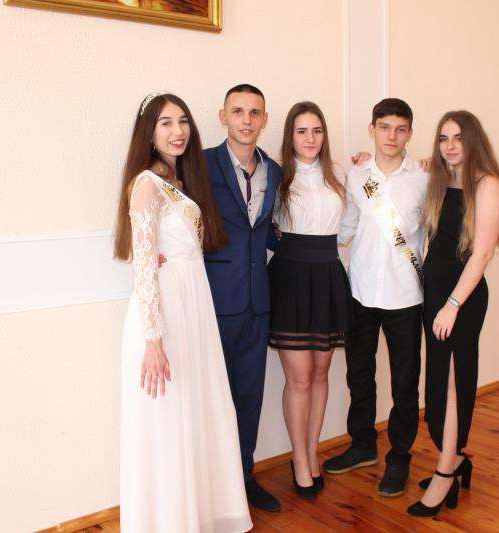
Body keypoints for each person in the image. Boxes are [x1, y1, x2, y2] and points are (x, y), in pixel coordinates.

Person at [115, 93, 252, 532]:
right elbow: (142, 266)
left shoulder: (177, 180)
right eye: (166, 123)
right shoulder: (146, 184)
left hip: (193, 307)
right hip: (165, 317)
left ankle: (197, 517)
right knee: (168, 420)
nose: (178, 132)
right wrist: (153, 341)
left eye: (183, 122)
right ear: (149, 133)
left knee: (195, 413)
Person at [408, 110, 499, 517]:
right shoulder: (441, 181)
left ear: (473, 141)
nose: (449, 146)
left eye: (457, 138)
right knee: (437, 384)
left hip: (461, 300)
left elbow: (482, 253)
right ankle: (454, 457)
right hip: (435, 295)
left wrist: (452, 305)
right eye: (443, 138)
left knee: (453, 385)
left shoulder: (487, 185)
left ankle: (445, 474)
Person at [323, 98, 428, 498]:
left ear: (410, 133)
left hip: (406, 295)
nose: (391, 136)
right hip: (361, 291)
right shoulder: (356, 175)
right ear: (372, 129)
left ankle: (399, 455)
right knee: (359, 376)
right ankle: (363, 445)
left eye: (400, 129)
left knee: (405, 383)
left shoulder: (423, 178)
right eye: (384, 127)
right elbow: (346, 227)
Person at [203, 84, 282, 512]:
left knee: (249, 397)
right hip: (213, 303)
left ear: (264, 120)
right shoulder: (200, 164)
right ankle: (213, 490)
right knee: (212, 400)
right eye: (238, 111)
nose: (246, 120)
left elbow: (269, 231)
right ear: (223, 117)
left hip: (258, 303)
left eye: (254, 113)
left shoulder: (275, 171)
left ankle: (244, 478)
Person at [269, 101, 352, 499]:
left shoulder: (338, 175)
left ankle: (312, 452)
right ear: (291, 136)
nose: (310, 138)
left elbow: (349, 226)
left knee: (320, 373)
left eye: (317, 130)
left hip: (327, 274)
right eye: (302, 131)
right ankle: (299, 458)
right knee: (299, 377)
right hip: (291, 277)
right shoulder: (276, 177)